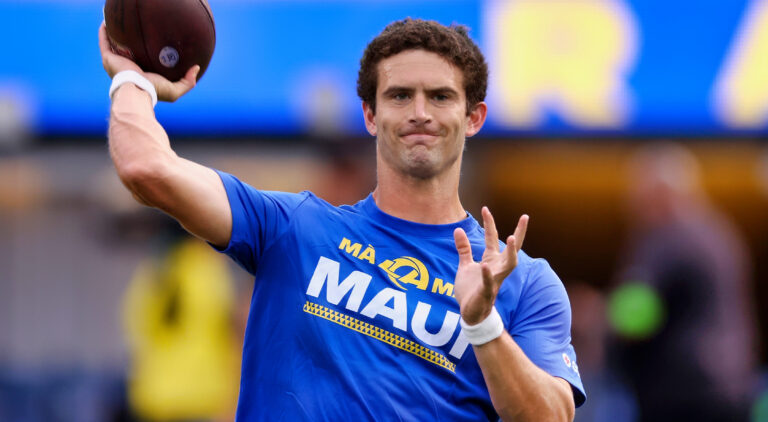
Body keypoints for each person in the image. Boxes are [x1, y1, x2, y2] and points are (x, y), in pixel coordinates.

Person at [99, 18, 585, 421]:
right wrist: (131, 81)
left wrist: (482, 325)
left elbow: (551, 418)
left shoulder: (523, 281)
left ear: (474, 116)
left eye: (440, 96)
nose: (419, 112)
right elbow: (147, 169)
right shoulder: (291, 229)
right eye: (398, 96)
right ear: (370, 115)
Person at [610, 143, 757, 421]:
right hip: (734, 388)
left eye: (637, 195)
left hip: (682, 397)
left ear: (660, 194)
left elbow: (632, 313)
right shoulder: (721, 231)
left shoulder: (666, 235)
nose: (630, 206)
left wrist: (594, 320)